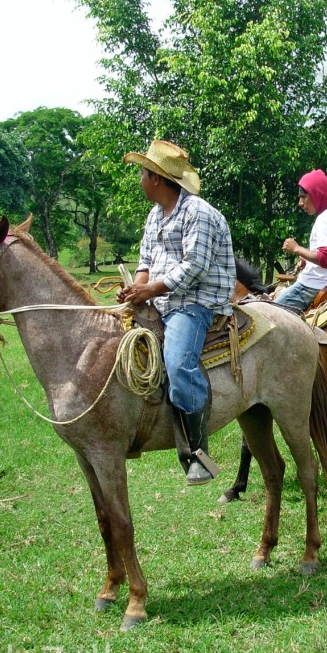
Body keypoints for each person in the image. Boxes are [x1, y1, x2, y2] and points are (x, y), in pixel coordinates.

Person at [117, 140, 235, 486]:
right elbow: (145, 261)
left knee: (179, 364)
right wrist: (136, 289)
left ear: (156, 178)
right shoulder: (156, 214)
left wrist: (150, 290)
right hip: (160, 298)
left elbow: (194, 267)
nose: (140, 179)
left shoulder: (199, 213)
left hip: (196, 301)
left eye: (142, 173)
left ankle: (199, 456)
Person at [279, 169, 327, 312]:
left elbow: (326, 259)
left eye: (303, 197)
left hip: (311, 287)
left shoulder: (324, 219)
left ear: (316, 194)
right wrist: (308, 258)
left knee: (267, 314)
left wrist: (296, 249)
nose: (300, 203)